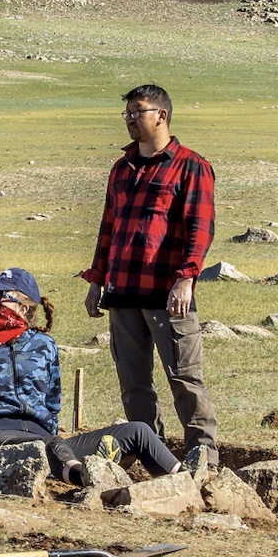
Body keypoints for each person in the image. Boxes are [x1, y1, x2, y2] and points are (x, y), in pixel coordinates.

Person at [0, 268, 183, 485]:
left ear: (24, 308)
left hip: (48, 441)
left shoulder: (44, 346)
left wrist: (53, 438)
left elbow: (52, 403)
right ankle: (86, 476)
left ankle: (187, 482)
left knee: (138, 431)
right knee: (49, 446)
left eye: (1, 296)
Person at [82, 83, 218, 471]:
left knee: (185, 380)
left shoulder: (191, 166)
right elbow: (109, 227)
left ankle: (203, 460)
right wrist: (97, 280)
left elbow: (200, 229)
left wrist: (186, 278)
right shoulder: (121, 169)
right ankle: (151, 459)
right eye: (126, 112)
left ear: (161, 115)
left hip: (166, 294)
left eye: (138, 111)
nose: (129, 118)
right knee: (133, 385)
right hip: (123, 292)